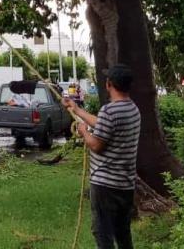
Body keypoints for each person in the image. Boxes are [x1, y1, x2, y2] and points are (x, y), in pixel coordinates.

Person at [63, 65, 140, 249]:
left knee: (102, 233)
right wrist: (77, 110)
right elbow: (102, 123)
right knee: (122, 232)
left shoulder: (109, 111)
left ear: (109, 84)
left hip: (105, 185)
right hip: (125, 184)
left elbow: (96, 145)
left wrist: (83, 132)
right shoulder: (132, 109)